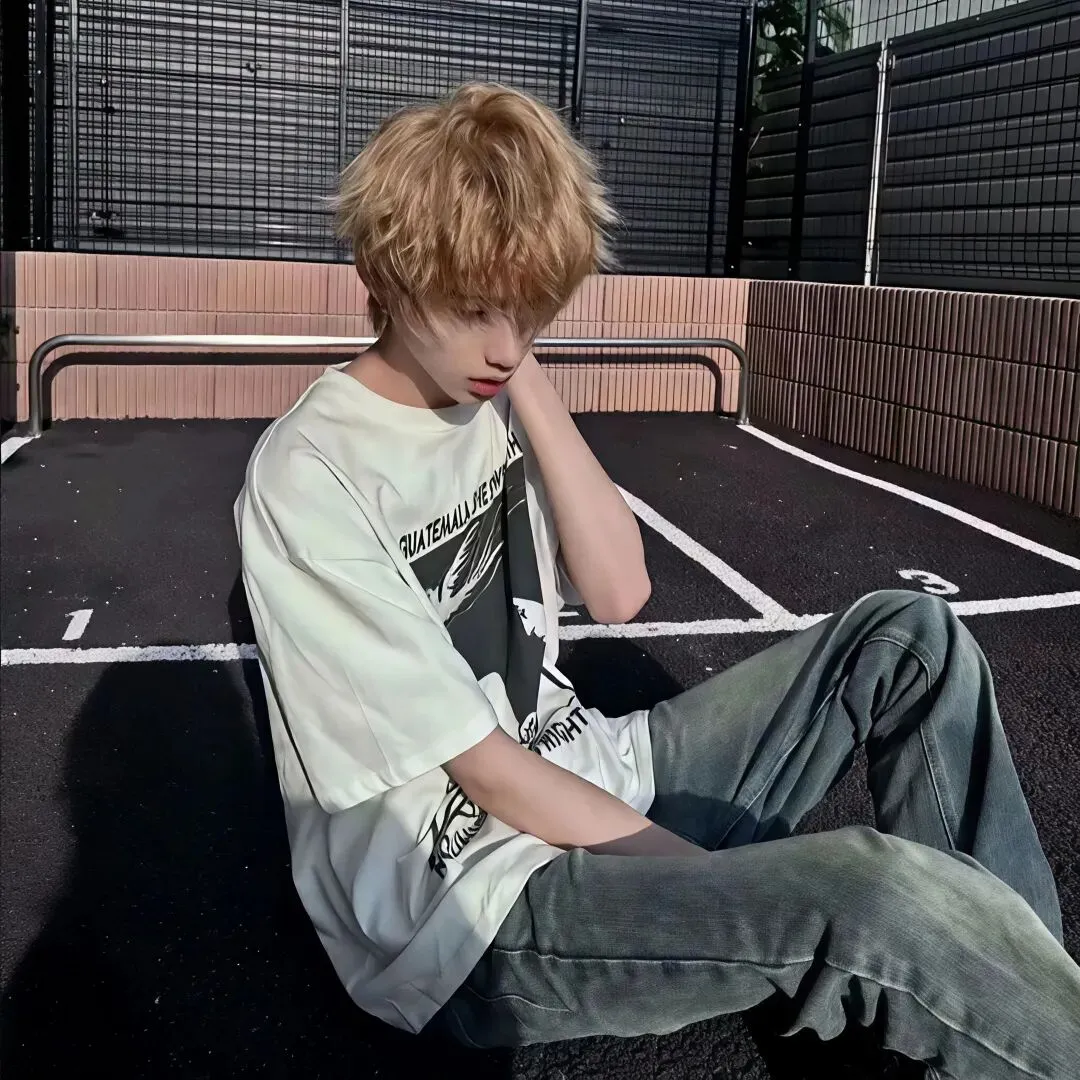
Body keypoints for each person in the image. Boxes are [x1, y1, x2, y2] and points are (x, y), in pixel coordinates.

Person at [234, 83, 1080, 1078]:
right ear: (385, 273)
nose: (506, 345)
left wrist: (521, 374)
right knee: (873, 899)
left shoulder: (491, 388)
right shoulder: (310, 474)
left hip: (591, 772)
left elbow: (619, 590)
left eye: (531, 309)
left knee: (909, 638)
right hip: (473, 903)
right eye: (474, 309)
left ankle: (1014, 1004)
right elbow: (487, 773)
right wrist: (714, 887)